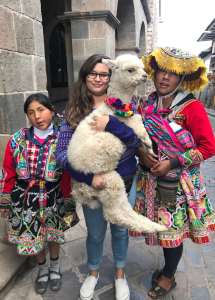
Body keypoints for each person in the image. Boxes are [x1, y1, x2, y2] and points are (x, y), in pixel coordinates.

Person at [129, 47, 215, 299]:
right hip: (149, 180)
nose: (165, 78)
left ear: (182, 79)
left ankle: (168, 276)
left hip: (178, 183)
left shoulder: (191, 108)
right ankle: (167, 268)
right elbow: (138, 136)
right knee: (161, 229)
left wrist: (173, 162)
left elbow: (208, 147)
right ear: (154, 73)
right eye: (161, 71)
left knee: (173, 230)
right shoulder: (147, 105)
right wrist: (140, 151)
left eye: (173, 73)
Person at [56, 54, 140, 300]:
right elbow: (62, 152)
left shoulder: (125, 104)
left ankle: (120, 275)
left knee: (121, 230)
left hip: (124, 179)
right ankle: (93, 273)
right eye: (93, 73)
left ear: (110, 76)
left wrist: (111, 124)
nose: (98, 78)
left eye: (104, 74)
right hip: (90, 184)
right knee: (94, 233)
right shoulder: (73, 110)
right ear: (85, 76)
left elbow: (135, 141)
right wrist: (87, 176)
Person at [0, 93, 79, 294]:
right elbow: (8, 172)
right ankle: (42, 270)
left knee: (53, 234)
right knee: (33, 235)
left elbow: (67, 174)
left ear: (52, 111)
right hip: (26, 199)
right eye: (31, 112)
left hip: (54, 197)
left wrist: (69, 202)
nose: (37, 116)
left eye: (41, 110)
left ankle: (54, 268)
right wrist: (5, 200)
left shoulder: (64, 139)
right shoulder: (17, 140)